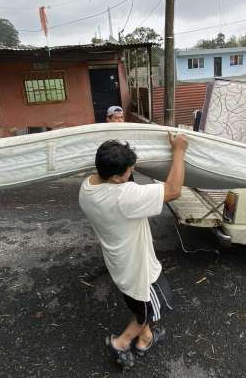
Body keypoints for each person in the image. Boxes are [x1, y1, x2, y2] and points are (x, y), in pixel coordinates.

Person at [78, 133, 188, 370]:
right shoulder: (124, 197)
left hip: (119, 264)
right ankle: (121, 343)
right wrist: (179, 150)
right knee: (151, 307)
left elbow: (126, 184)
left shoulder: (88, 186)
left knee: (138, 304)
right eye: (129, 170)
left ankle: (144, 341)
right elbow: (173, 190)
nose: (132, 171)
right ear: (117, 178)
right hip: (139, 269)